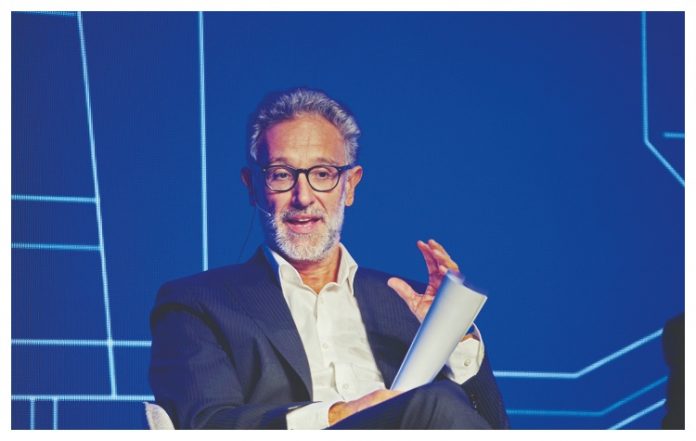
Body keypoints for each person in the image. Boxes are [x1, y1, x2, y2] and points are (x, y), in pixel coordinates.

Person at [149, 88, 509, 429]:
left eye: (323, 174)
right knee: (436, 402)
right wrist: (337, 415)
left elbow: (493, 426)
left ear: (350, 185)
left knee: (441, 401)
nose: (303, 197)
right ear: (252, 186)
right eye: (281, 175)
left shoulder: (408, 304)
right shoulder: (197, 304)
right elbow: (205, 423)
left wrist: (451, 333)